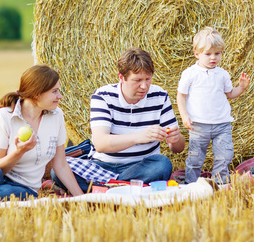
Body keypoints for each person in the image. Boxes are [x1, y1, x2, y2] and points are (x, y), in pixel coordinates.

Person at [51, 48, 185, 192]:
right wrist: (140, 137)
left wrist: (176, 139)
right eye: (137, 80)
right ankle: (128, 188)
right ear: (121, 77)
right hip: (102, 165)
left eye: (148, 79)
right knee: (58, 171)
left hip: (142, 165)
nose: (144, 86)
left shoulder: (159, 95)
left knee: (162, 165)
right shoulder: (103, 96)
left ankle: (103, 189)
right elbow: (101, 144)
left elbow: (178, 148)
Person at [0, 64, 83, 209]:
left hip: (24, 188)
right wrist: (19, 152)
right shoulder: (4, 116)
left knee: (14, 193)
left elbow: (61, 164)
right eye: (54, 91)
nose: (60, 96)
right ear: (37, 93)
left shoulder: (57, 115)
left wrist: (81, 198)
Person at [177, 27, 250, 184]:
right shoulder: (190, 74)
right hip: (198, 124)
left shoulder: (222, 74)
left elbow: (230, 94)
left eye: (217, 53)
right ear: (197, 53)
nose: (213, 58)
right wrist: (184, 116)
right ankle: (191, 185)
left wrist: (242, 88)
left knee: (224, 156)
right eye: (208, 54)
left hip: (222, 124)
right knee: (195, 158)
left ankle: (219, 184)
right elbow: (181, 96)